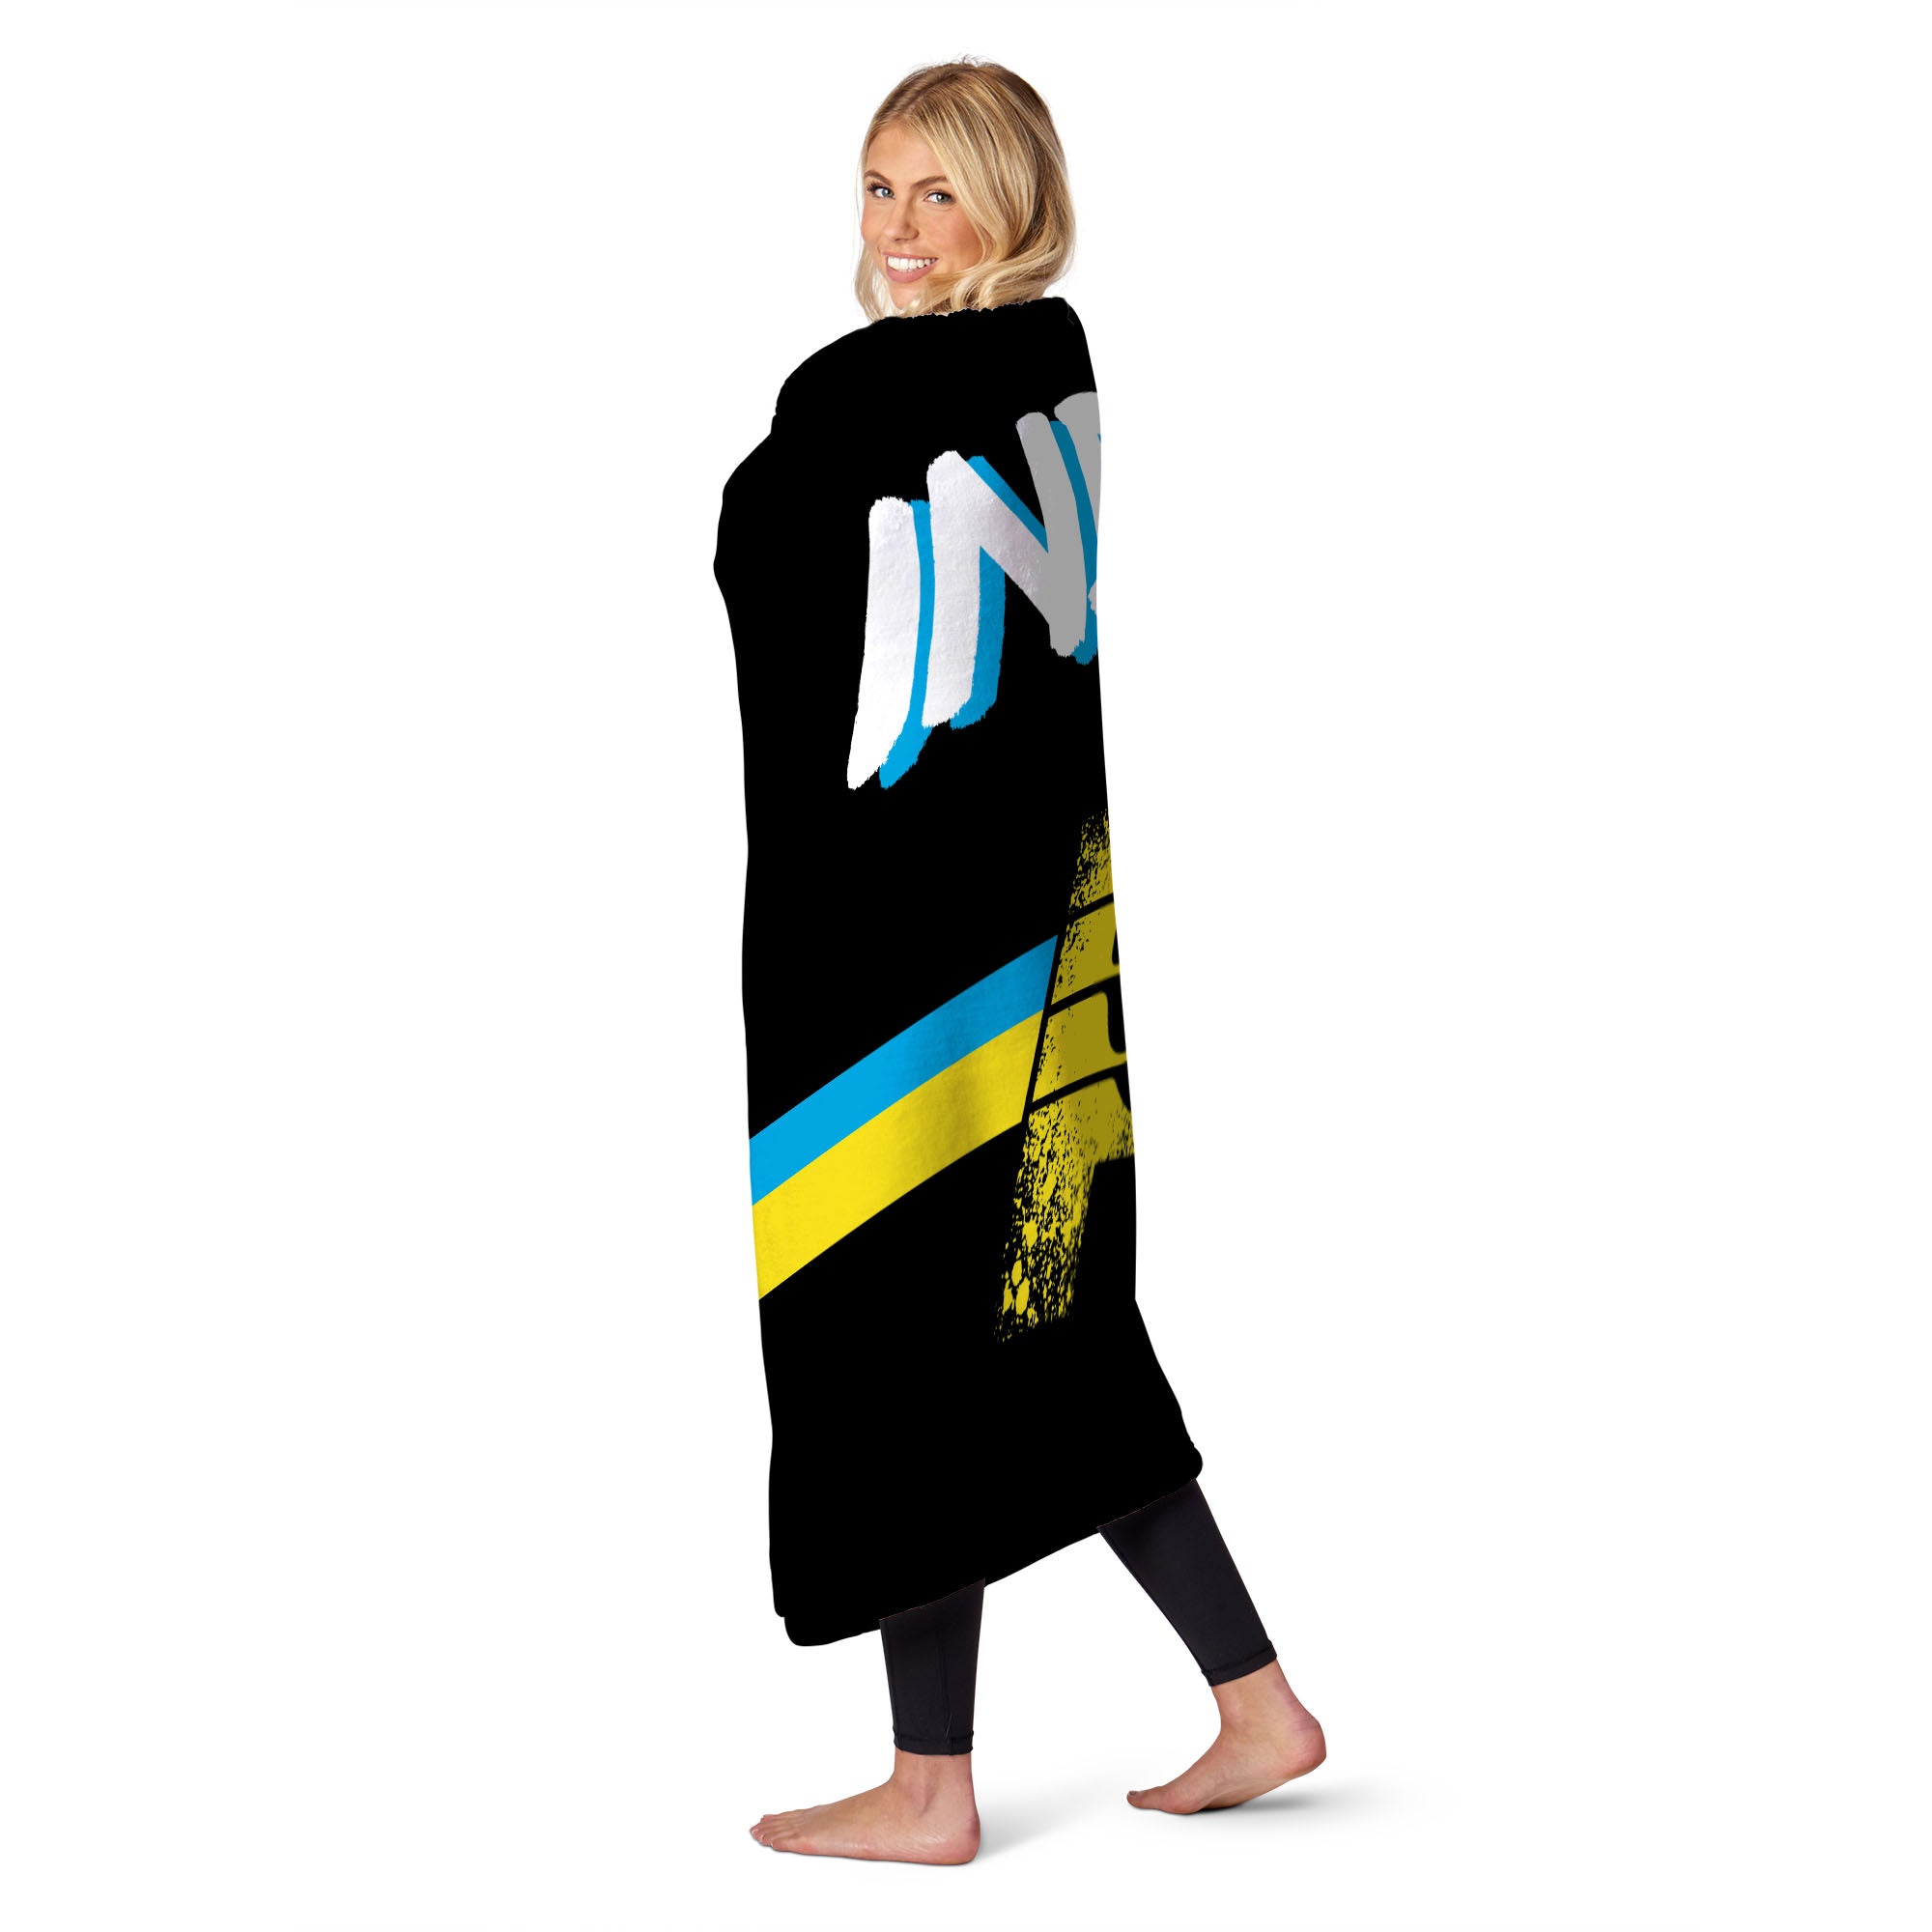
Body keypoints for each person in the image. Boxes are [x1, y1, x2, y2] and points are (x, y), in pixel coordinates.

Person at [712, 58, 1324, 1865]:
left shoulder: (871, 393)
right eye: (878, 187)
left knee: (902, 1336)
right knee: (1037, 1333)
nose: (898, 228)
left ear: (1015, 204)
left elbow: (769, 555)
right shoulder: (1050, 376)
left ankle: (935, 1788)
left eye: (939, 192)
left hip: (890, 968)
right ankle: (1243, 1705)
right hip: (1035, 943)